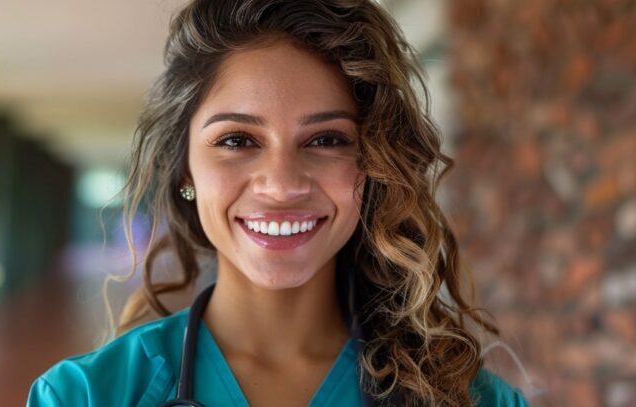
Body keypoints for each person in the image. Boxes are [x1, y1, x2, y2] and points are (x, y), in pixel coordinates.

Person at [29, 0, 530, 405]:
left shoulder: (474, 400)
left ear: (375, 165)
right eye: (236, 140)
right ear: (184, 168)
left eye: (326, 140)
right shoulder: (84, 396)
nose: (282, 184)